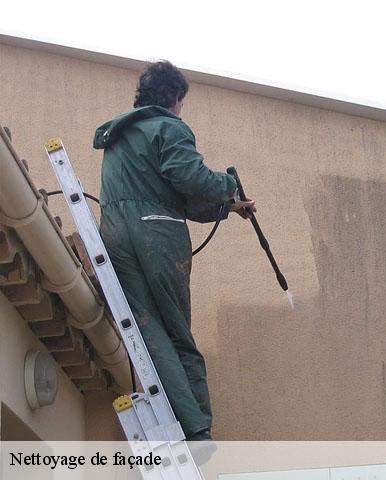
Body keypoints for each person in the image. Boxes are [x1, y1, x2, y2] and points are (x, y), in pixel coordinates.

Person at [93, 60, 255, 442]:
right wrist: (230, 185)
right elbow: (190, 177)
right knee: (179, 334)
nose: (183, 107)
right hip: (157, 238)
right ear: (174, 97)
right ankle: (197, 428)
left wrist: (226, 209)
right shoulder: (169, 126)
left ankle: (181, 423)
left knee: (150, 330)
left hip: (116, 234)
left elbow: (166, 198)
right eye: (182, 100)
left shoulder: (118, 139)